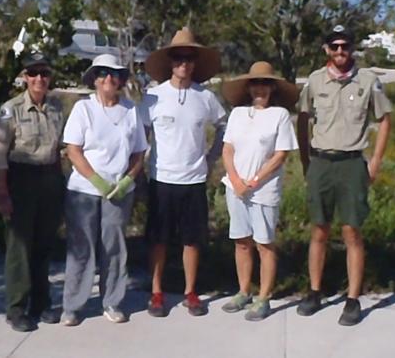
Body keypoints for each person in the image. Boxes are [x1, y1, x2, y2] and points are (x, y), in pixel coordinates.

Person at [296, 25, 393, 326]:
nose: (341, 52)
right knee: (319, 230)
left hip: (352, 164)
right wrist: (304, 159)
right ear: (326, 49)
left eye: (345, 47)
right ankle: (314, 291)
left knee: (351, 231)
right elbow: (302, 119)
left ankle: (352, 299)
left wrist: (375, 161)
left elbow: (386, 118)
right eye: (335, 46)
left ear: (352, 49)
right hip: (321, 162)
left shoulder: (368, 81)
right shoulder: (314, 80)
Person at [139, 27, 226, 317]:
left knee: (192, 239)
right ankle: (156, 293)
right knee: (158, 239)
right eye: (178, 57)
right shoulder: (153, 97)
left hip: (194, 180)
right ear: (169, 61)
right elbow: (140, 135)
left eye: (189, 58)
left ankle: (191, 292)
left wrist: (212, 158)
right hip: (161, 179)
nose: (184, 63)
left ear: (195, 63)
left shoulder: (206, 97)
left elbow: (224, 126)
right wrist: (138, 169)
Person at [60, 54, 148, 326]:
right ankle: (73, 305)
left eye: (114, 74)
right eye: (102, 73)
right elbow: (73, 150)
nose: (109, 78)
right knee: (81, 248)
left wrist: (126, 180)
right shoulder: (83, 109)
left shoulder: (131, 110)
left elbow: (139, 152)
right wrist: (97, 180)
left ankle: (112, 301)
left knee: (114, 247)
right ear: (95, 80)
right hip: (84, 190)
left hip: (119, 192)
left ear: (121, 79)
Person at [0, 52, 66, 332]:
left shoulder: (57, 109)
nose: (39, 79)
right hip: (20, 178)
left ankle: (41, 303)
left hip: (49, 178)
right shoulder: (11, 109)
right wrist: (3, 192)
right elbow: (0, 153)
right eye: (33, 74)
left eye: (44, 74)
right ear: (24, 77)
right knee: (19, 247)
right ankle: (17, 308)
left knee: (44, 245)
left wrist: (59, 184)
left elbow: (58, 150)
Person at [219, 61, 299, 321]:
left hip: (263, 190)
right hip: (236, 187)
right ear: (248, 87)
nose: (260, 89)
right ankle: (244, 291)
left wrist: (254, 180)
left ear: (272, 87)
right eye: (255, 83)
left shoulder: (280, 115)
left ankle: (264, 297)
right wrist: (235, 178)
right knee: (242, 242)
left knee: (264, 243)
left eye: (265, 83)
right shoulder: (238, 114)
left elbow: (280, 154)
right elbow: (227, 149)